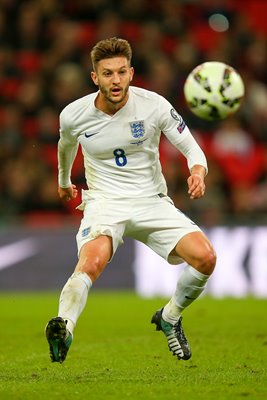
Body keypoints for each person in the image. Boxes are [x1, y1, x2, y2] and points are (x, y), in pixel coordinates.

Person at [45, 37, 216, 363]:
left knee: (206, 258)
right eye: (107, 74)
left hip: (152, 200)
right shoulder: (73, 115)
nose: (116, 80)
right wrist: (64, 180)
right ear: (95, 77)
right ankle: (63, 328)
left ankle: (170, 317)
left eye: (121, 72)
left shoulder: (154, 105)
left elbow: (192, 149)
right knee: (91, 262)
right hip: (105, 202)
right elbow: (65, 145)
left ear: (131, 73)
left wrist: (198, 173)